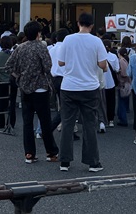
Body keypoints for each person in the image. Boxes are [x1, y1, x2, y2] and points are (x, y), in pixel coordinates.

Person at [57, 13, 107, 173]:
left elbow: (61, 62)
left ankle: (64, 162)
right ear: (92, 25)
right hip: (90, 88)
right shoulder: (97, 41)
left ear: (78, 23)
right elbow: (103, 64)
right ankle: (93, 163)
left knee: (67, 124)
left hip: (69, 87)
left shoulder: (68, 39)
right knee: (89, 125)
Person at [6, 20, 59, 164]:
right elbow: (47, 66)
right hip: (40, 88)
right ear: (38, 33)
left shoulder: (20, 48)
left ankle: (29, 153)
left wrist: (18, 76)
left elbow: (9, 65)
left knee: (27, 122)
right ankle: (51, 152)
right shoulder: (41, 47)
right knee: (45, 121)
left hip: (25, 88)